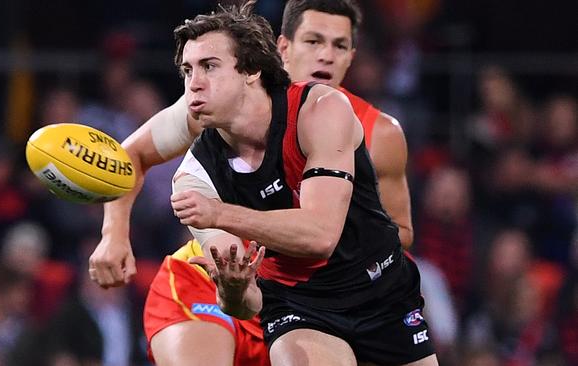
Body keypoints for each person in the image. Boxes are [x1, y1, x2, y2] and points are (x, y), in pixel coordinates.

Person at [89, 0, 418, 365]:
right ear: (282, 49)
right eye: (313, 41)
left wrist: (339, 245)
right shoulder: (211, 104)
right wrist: (114, 234)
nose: (325, 56)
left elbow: (397, 232)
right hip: (218, 276)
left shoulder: (376, 132)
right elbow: (128, 156)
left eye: (338, 45)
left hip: (316, 294)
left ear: (351, 55)